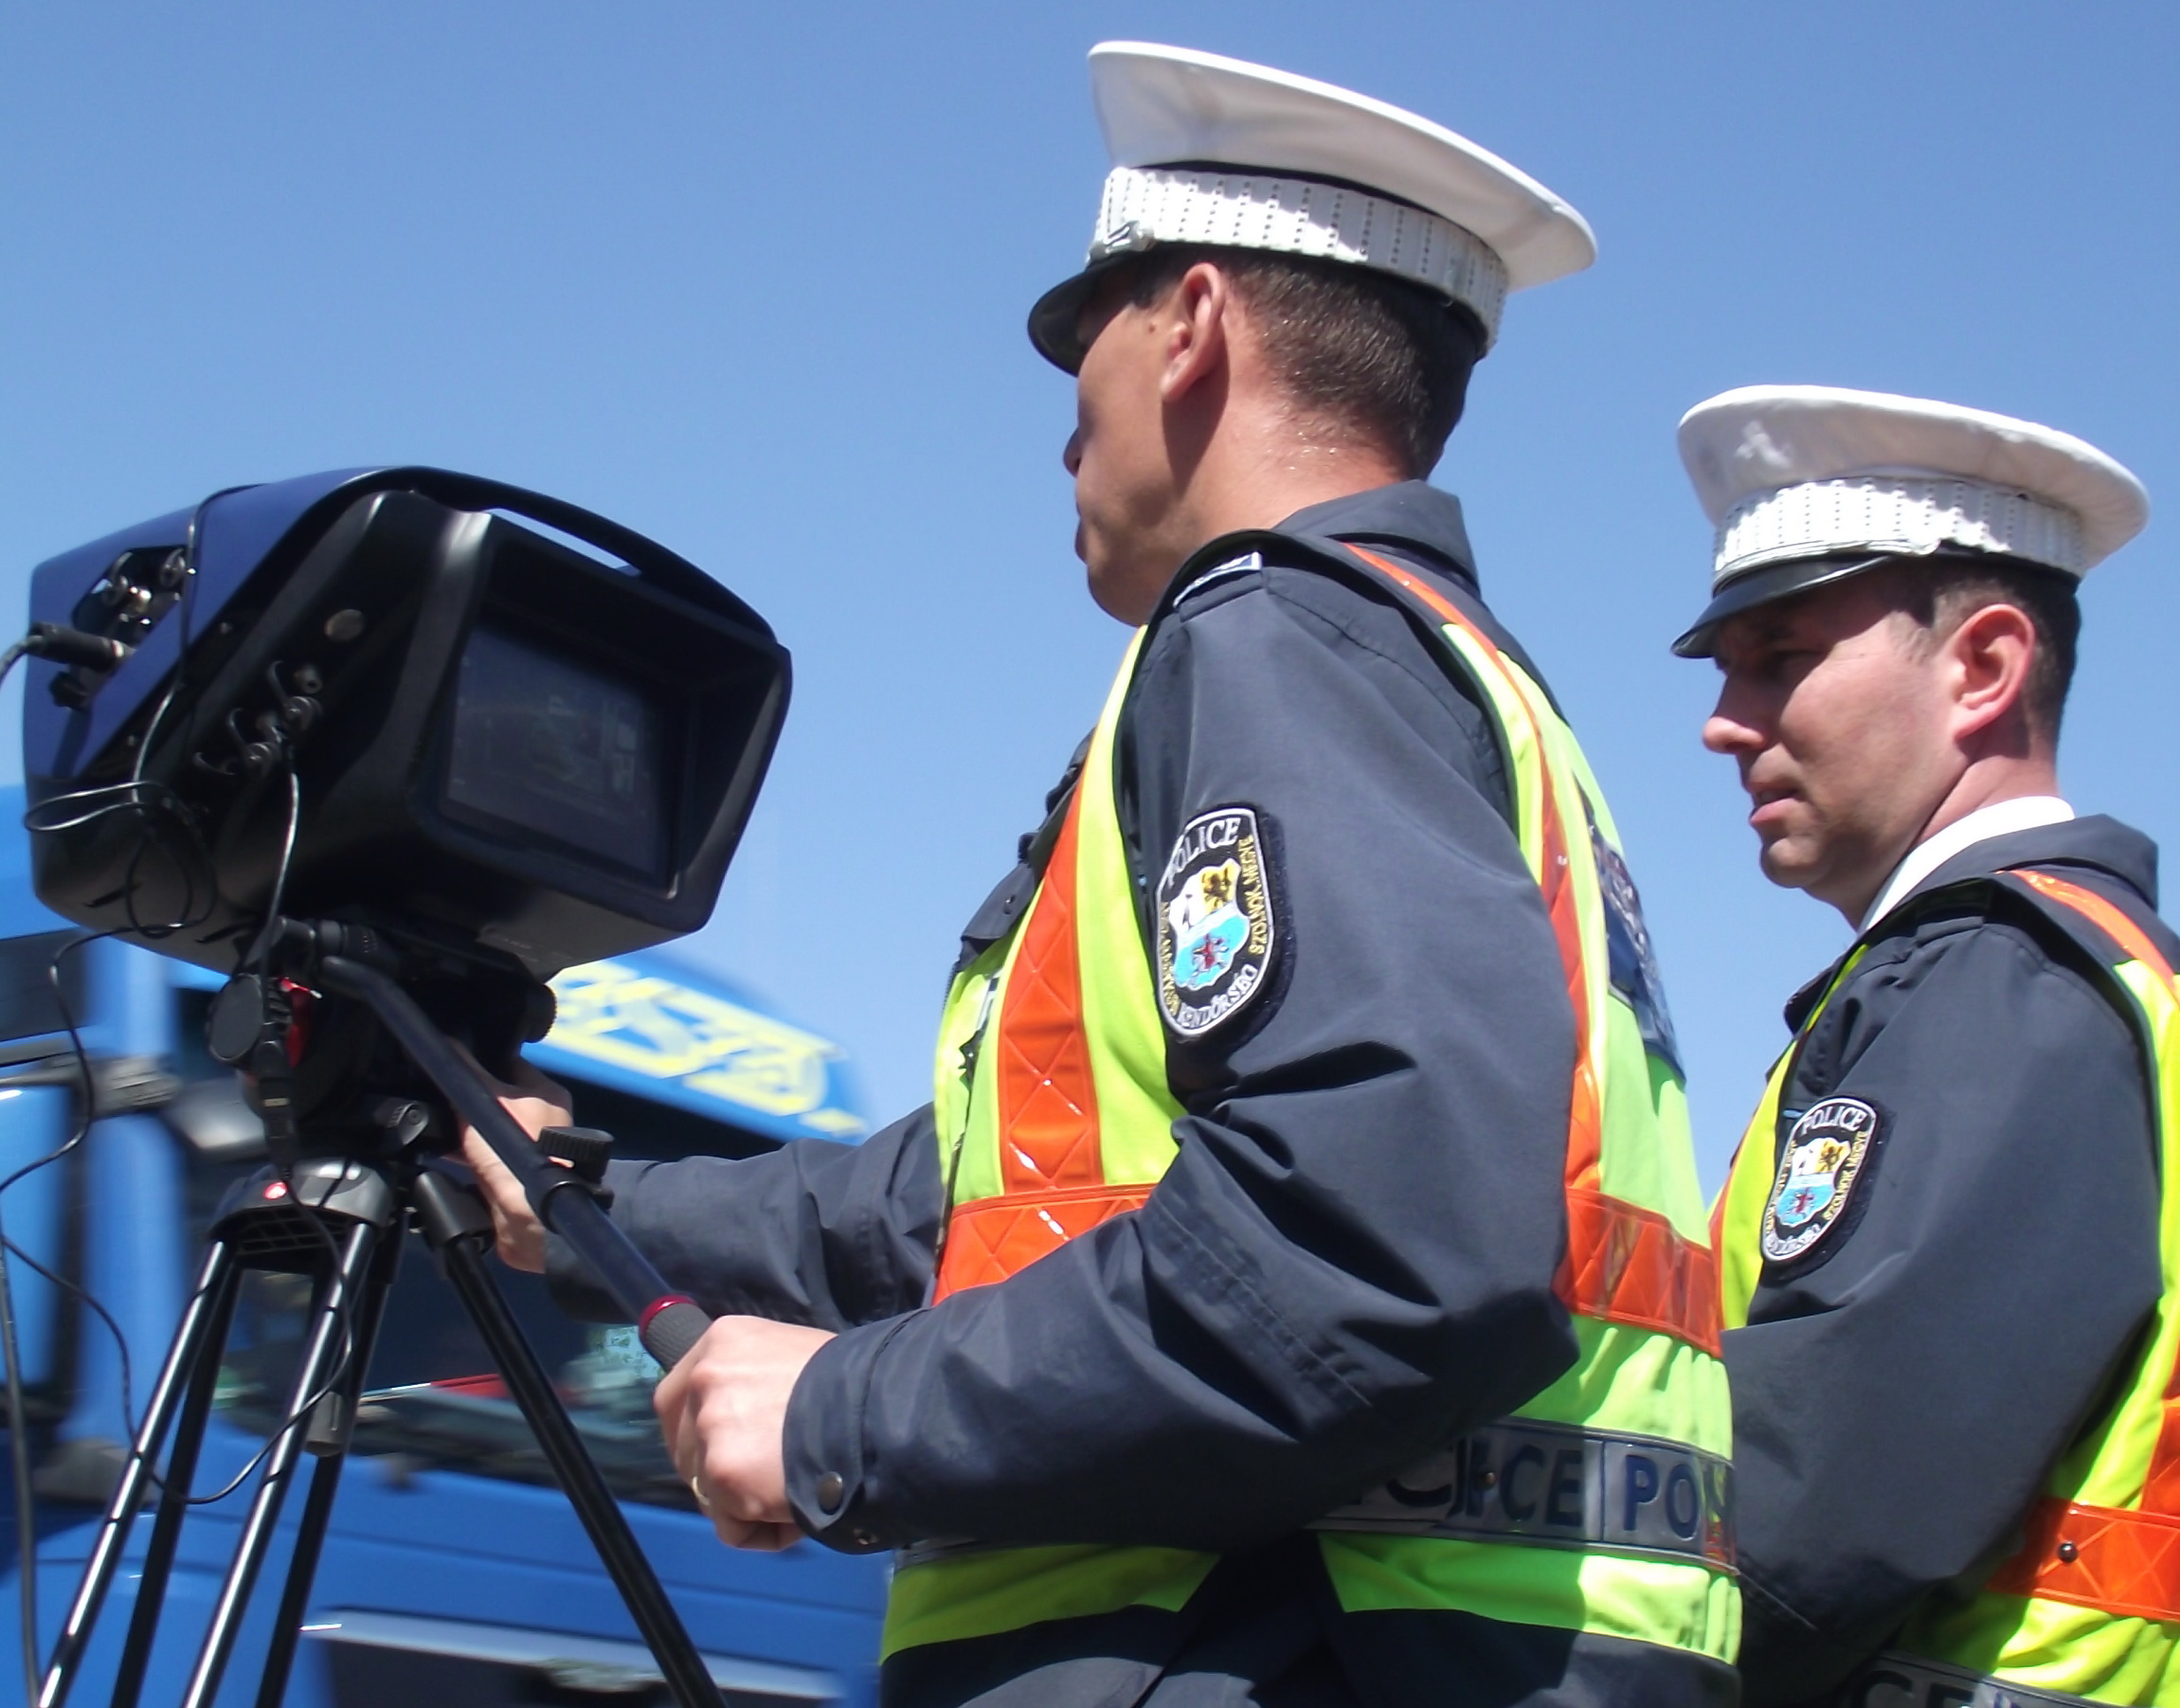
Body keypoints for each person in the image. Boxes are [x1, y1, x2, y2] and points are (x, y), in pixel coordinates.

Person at [467, 44, 1736, 1706]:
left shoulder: (1274, 638)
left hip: (1269, 1643)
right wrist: (584, 1205)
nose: (1064, 421)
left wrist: (845, 1413)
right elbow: (993, 1196)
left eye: (1083, 340)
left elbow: (1375, 1243)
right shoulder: (1453, 681)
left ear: (1191, 324)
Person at [1677, 384, 2174, 1707]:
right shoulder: (2068, 972)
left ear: (1984, 667)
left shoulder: (2000, 977)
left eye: (1779, 657)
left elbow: (1820, 1505)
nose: (1722, 720)